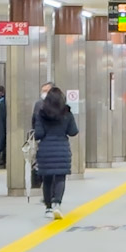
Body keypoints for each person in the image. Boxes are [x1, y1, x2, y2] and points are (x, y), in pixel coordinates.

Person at [32, 87, 78, 220]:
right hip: (62, 149)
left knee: (47, 179)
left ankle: (48, 208)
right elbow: (73, 131)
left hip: (46, 150)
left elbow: (38, 134)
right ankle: (57, 203)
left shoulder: (41, 114)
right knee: (60, 178)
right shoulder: (67, 113)